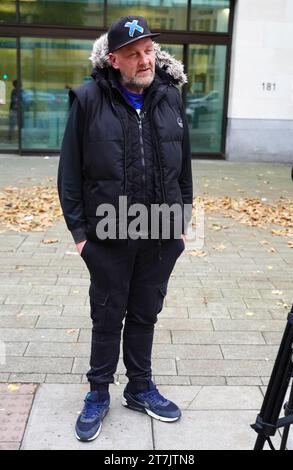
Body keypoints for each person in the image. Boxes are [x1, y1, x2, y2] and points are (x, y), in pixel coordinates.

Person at [57, 15, 193, 442]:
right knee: (107, 315)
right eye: (133, 54)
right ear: (113, 60)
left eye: (149, 50)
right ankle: (98, 392)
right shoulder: (88, 100)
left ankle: (139, 388)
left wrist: (182, 225)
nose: (144, 60)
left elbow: (184, 168)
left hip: (160, 234)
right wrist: (81, 236)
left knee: (145, 314)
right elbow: (69, 176)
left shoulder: (170, 98)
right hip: (108, 235)